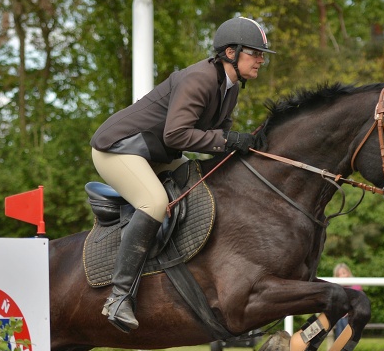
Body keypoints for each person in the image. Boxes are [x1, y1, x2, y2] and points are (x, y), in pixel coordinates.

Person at [89, 17, 274, 333]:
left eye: (261, 54)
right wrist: (229, 141)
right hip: (118, 149)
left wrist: (246, 148)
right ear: (231, 51)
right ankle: (118, 297)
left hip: (155, 154)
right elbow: (176, 135)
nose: (260, 60)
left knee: (207, 188)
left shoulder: (229, 88)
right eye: (255, 52)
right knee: (154, 202)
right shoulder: (199, 79)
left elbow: (217, 137)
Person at [332, 263, 362, 339]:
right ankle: (340, 344)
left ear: (348, 273)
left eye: (343, 273)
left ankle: (341, 343)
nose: (342, 276)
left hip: (353, 314)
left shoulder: (355, 286)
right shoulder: (336, 288)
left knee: (344, 321)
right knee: (340, 321)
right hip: (341, 315)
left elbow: (357, 303)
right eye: (339, 275)